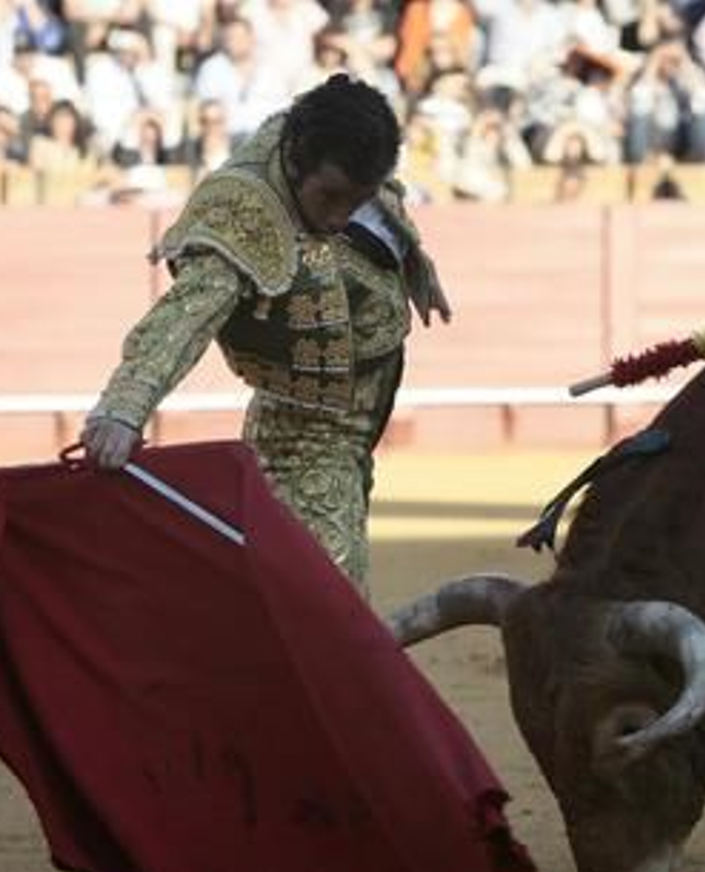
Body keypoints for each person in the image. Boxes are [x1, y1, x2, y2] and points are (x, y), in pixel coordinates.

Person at [79, 75, 451, 596]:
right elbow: (182, 319)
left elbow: (382, 198)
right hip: (307, 434)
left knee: (293, 589)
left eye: (355, 198)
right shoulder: (239, 213)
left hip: (354, 419)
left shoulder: (335, 147)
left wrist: (416, 264)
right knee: (332, 602)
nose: (340, 216)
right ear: (296, 163)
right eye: (331, 197)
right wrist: (122, 409)